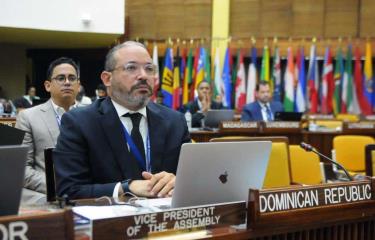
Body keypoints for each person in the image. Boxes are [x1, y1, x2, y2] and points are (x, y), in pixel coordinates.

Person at [54, 41, 191, 200]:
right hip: (109, 220)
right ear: (107, 79)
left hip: (167, 219)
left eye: (149, 69)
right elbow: (69, 190)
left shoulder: (175, 121)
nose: (143, 75)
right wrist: (126, 187)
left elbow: (193, 179)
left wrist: (177, 181)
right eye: (131, 68)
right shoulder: (80, 123)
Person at [15, 57, 80, 204]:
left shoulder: (92, 116)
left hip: (90, 194)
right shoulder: (27, 117)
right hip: (48, 195)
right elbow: (21, 168)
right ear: (48, 85)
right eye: (61, 78)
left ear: (78, 85)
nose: (67, 82)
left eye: (72, 78)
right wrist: (58, 187)